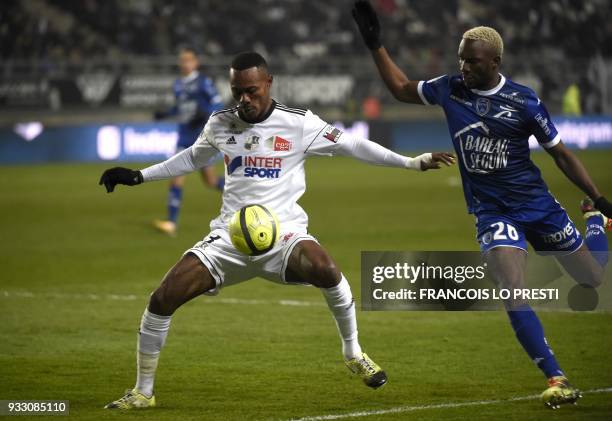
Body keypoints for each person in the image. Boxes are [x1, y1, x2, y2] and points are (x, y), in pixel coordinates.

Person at [99, 51, 456, 410]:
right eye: (237, 91)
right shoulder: (221, 122)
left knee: (328, 270)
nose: (244, 99)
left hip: (284, 234)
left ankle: (354, 353)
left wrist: (410, 162)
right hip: (229, 237)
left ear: (268, 84)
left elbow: (352, 145)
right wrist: (138, 175)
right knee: (162, 299)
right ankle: (143, 392)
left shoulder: (298, 124)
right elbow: (193, 157)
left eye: (252, 90)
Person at [352, 0, 611, 409]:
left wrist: (598, 199)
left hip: (537, 205)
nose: (464, 68)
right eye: (461, 59)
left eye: (472, 61)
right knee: (513, 290)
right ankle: (556, 377)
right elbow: (402, 89)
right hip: (493, 212)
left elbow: (561, 154)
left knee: (593, 279)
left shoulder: (524, 102)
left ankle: (594, 223)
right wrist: (375, 46)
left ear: (495, 62)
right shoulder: (450, 88)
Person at [152, 47, 225, 236]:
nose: (185, 63)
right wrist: (165, 114)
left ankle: (243, 191)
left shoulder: (203, 82)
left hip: (201, 138)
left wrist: (204, 114)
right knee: (176, 178)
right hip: (184, 137)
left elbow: (218, 104)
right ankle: (171, 223)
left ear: (195, 63)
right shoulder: (178, 84)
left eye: (188, 60)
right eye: (182, 60)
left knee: (210, 181)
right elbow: (180, 107)